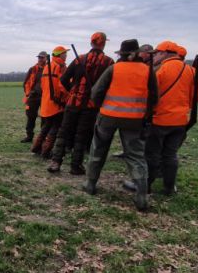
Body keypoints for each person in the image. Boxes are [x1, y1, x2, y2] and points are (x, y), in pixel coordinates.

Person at [82, 39, 159, 211]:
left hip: (108, 116)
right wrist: (145, 115)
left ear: (121, 54)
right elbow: (154, 98)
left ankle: (90, 184)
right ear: (137, 53)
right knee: (136, 156)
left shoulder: (114, 69)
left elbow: (95, 92)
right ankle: (141, 196)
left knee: (98, 150)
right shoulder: (148, 71)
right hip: (135, 119)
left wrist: (100, 106)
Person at [48, 32, 114, 175]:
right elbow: (110, 86)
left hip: (73, 103)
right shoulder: (109, 62)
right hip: (91, 106)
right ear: (103, 44)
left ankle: (55, 162)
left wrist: (73, 92)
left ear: (91, 43)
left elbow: (63, 80)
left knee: (63, 132)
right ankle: (75, 166)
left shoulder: (80, 59)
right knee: (81, 135)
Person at [144, 41, 198, 195]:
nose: (155, 56)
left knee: (152, 154)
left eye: (157, 53)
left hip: (159, 120)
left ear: (164, 53)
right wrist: (181, 106)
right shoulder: (191, 70)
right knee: (170, 155)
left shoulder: (160, 70)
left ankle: (146, 186)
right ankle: (169, 188)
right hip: (180, 121)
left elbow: (150, 94)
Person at [31, 47, 68, 158]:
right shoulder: (60, 66)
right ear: (60, 55)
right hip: (56, 104)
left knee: (46, 127)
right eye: (65, 53)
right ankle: (46, 151)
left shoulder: (47, 66)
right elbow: (62, 85)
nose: (66, 55)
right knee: (55, 128)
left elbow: (43, 85)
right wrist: (67, 96)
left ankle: (36, 147)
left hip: (46, 102)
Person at [21, 51, 48, 142]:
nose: (40, 59)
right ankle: (29, 136)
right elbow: (26, 83)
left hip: (45, 97)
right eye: (39, 57)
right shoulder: (32, 69)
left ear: (46, 58)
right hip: (33, 96)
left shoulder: (49, 69)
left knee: (45, 117)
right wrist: (28, 93)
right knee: (31, 116)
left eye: (42, 57)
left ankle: (42, 137)